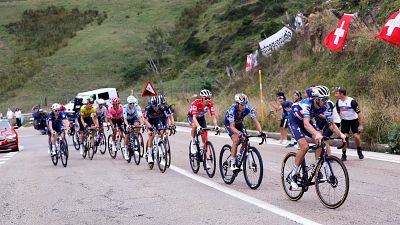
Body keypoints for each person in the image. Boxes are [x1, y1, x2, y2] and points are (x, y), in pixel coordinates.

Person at [288, 86, 346, 189]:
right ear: (316, 99)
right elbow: (306, 124)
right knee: (305, 146)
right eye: (323, 99)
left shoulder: (326, 105)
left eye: (327, 98)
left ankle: (317, 168)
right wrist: (317, 133)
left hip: (307, 121)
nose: (326, 101)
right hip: (295, 121)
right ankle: (293, 174)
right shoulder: (307, 104)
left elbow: (331, 123)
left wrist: (340, 134)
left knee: (321, 141)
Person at [224, 93, 266, 171]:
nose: (244, 107)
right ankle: (232, 162)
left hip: (239, 123)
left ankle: (240, 156)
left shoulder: (248, 107)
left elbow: (255, 121)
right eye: (242, 105)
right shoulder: (232, 110)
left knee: (246, 140)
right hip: (230, 124)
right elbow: (232, 127)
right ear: (237, 104)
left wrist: (261, 132)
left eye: (245, 104)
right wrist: (239, 134)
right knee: (236, 140)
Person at [335, 87, 364, 160]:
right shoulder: (338, 102)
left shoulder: (352, 101)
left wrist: (360, 125)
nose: (336, 95)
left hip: (354, 121)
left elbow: (359, 113)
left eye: (337, 93)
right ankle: (344, 155)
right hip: (345, 121)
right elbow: (337, 113)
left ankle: (359, 150)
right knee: (344, 137)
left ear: (341, 94)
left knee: (356, 137)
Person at [188, 89, 219, 154]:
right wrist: (198, 126)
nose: (208, 100)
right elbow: (194, 117)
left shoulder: (210, 104)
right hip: (192, 116)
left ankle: (203, 148)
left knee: (204, 133)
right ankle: (193, 142)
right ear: (201, 98)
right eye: (206, 98)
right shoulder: (196, 103)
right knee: (194, 126)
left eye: (209, 98)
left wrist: (216, 125)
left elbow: (213, 116)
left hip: (201, 117)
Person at [143, 96, 171, 164]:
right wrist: (150, 127)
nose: (156, 108)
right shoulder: (148, 108)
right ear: (152, 104)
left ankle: (160, 144)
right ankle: (149, 154)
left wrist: (168, 126)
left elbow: (167, 118)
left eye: (157, 106)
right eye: (154, 106)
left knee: (161, 131)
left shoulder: (161, 108)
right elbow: (145, 120)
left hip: (157, 120)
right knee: (151, 135)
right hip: (149, 122)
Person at [122, 96, 144, 160]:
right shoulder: (125, 107)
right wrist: (127, 125)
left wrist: (142, 123)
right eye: (130, 103)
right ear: (128, 103)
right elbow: (125, 119)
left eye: (133, 103)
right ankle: (126, 151)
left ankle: (136, 137)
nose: (132, 105)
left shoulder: (137, 106)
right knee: (127, 134)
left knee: (137, 125)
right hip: (127, 120)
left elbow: (140, 116)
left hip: (133, 119)